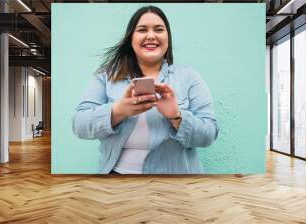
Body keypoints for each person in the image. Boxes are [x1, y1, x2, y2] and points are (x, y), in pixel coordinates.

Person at [72, 5, 219, 174]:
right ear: (131, 38)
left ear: (167, 37)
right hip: (115, 182)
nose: (151, 36)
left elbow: (209, 134)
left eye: (159, 29)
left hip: (174, 182)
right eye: (142, 30)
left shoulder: (190, 77)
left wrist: (176, 117)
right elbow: (79, 125)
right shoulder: (106, 76)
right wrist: (118, 111)